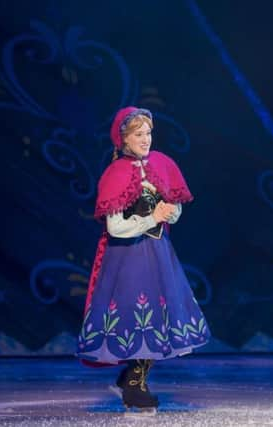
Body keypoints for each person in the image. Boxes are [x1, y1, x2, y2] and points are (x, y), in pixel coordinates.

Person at [76, 106, 210, 413]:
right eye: (139, 134)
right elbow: (115, 227)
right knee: (134, 312)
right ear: (123, 139)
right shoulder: (116, 174)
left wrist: (165, 211)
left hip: (158, 254)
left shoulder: (162, 164)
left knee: (159, 314)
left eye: (148, 133)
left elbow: (174, 211)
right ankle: (134, 384)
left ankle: (134, 377)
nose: (146, 139)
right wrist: (151, 217)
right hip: (127, 256)